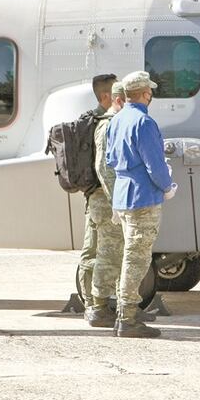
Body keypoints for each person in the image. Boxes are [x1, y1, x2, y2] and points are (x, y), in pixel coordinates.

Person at [106, 71, 174, 338]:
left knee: (130, 254)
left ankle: (125, 313)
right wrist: (167, 186)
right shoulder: (144, 122)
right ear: (146, 94)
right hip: (143, 196)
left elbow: (111, 160)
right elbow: (155, 165)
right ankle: (127, 317)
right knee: (137, 258)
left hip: (123, 194)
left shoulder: (116, 120)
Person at [84, 82, 154, 328]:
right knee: (109, 254)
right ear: (118, 100)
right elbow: (104, 168)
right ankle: (98, 307)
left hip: (116, 200)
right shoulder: (107, 125)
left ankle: (121, 307)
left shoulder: (119, 122)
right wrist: (117, 203)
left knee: (122, 255)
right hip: (108, 201)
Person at [76, 73, 116, 306]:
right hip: (101, 194)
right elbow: (102, 165)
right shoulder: (101, 123)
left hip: (93, 193)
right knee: (95, 250)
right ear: (105, 96)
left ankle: (91, 300)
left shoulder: (92, 121)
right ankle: (91, 302)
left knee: (92, 249)